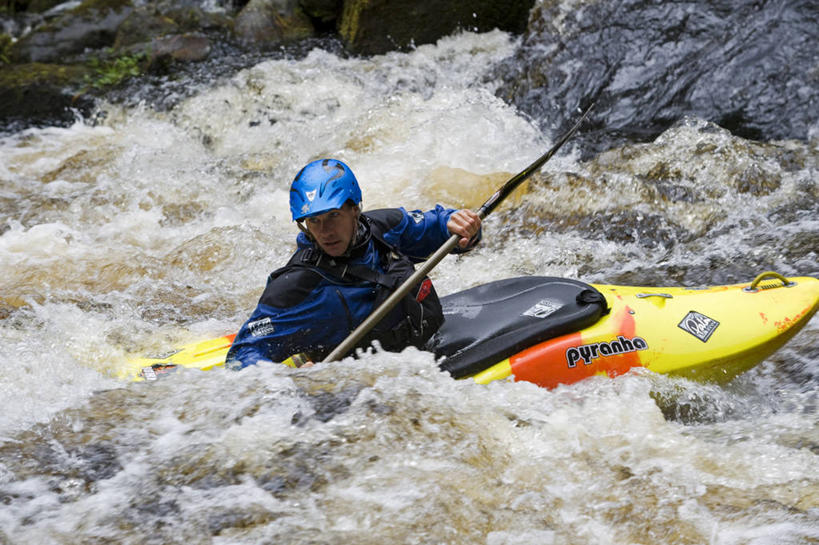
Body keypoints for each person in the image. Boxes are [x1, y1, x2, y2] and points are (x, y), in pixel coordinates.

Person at [225, 158, 482, 369]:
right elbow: (241, 358)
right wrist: (289, 380)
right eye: (314, 221)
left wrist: (461, 225)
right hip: (359, 387)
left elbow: (439, 226)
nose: (325, 231)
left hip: (424, 349)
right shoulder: (296, 288)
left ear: (354, 209)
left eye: (333, 215)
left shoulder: (385, 228)